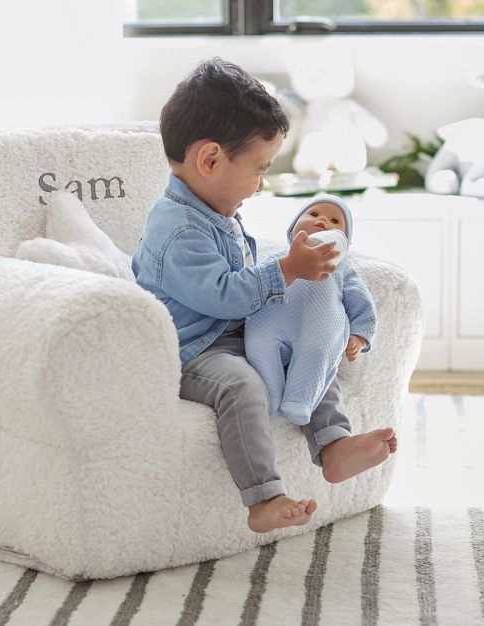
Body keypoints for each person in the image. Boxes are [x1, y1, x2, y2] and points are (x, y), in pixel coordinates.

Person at [132, 58, 397, 534]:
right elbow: (222, 295)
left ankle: (333, 444)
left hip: (233, 330)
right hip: (194, 348)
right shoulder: (175, 229)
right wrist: (288, 271)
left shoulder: (214, 208)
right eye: (259, 169)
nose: (261, 184)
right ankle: (263, 496)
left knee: (309, 354)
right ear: (210, 160)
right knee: (242, 387)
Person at [244, 194, 376, 427]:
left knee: (316, 351)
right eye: (314, 214)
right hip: (270, 322)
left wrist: (360, 336)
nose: (323, 221)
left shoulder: (342, 269)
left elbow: (361, 302)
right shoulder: (278, 259)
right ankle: (270, 397)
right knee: (258, 345)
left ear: (344, 243)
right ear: (292, 230)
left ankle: (299, 401)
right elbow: (255, 283)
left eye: (335, 222)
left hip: (318, 327)